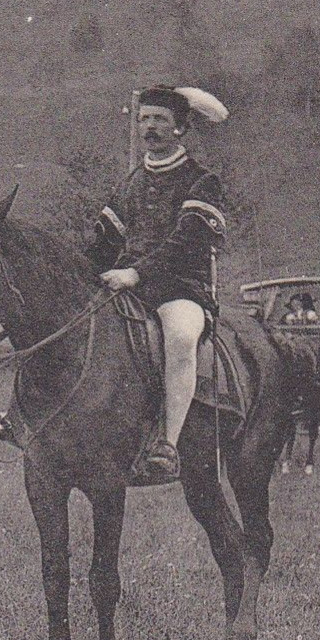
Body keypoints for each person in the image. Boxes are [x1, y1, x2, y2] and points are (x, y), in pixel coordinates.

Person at [87, 84, 229, 480]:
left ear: (180, 127)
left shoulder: (202, 181)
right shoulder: (131, 182)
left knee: (181, 337)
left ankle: (167, 444)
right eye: (144, 118)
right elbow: (103, 242)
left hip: (181, 287)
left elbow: (186, 243)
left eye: (160, 119)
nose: (150, 127)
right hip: (128, 282)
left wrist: (135, 273)